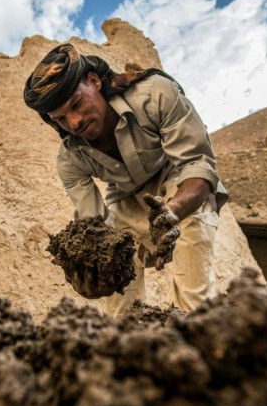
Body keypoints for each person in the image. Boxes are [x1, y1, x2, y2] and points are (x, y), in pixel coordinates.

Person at [23, 43, 228, 317]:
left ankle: (200, 336)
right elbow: (94, 226)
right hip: (124, 198)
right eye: (60, 119)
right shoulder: (70, 160)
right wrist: (92, 272)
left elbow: (197, 166)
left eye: (77, 104)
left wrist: (173, 211)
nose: (74, 123)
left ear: (94, 81)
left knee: (196, 292)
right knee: (121, 314)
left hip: (177, 182)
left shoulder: (155, 93)